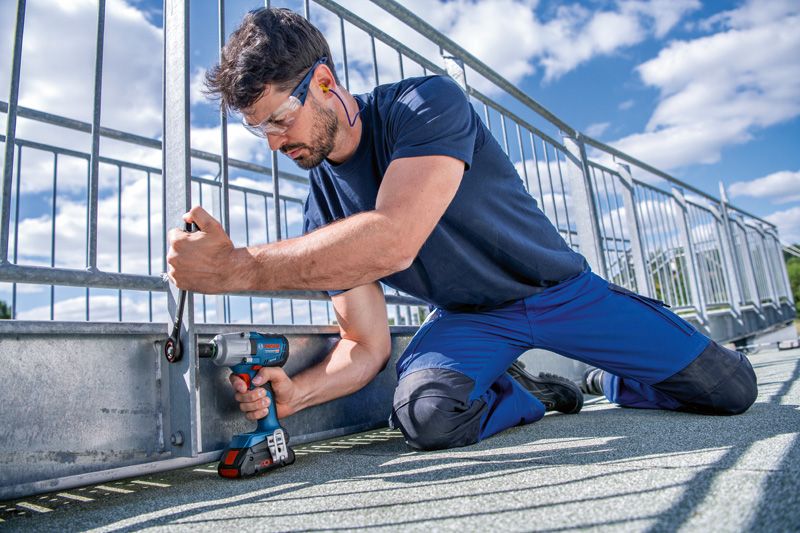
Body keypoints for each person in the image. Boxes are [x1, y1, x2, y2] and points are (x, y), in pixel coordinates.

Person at [167, 7, 757, 451]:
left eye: (278, 118)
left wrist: (240, 268)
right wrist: (301, 394)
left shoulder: (426, 104)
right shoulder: (322, 204)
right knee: (425, 416)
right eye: (259, 130)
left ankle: (616, 379)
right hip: (469, 320)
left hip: (561, 293)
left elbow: (395, 236)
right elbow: (364, 345)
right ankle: (530, 392)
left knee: (730, 391)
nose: (273, 142)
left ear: (323, 83)